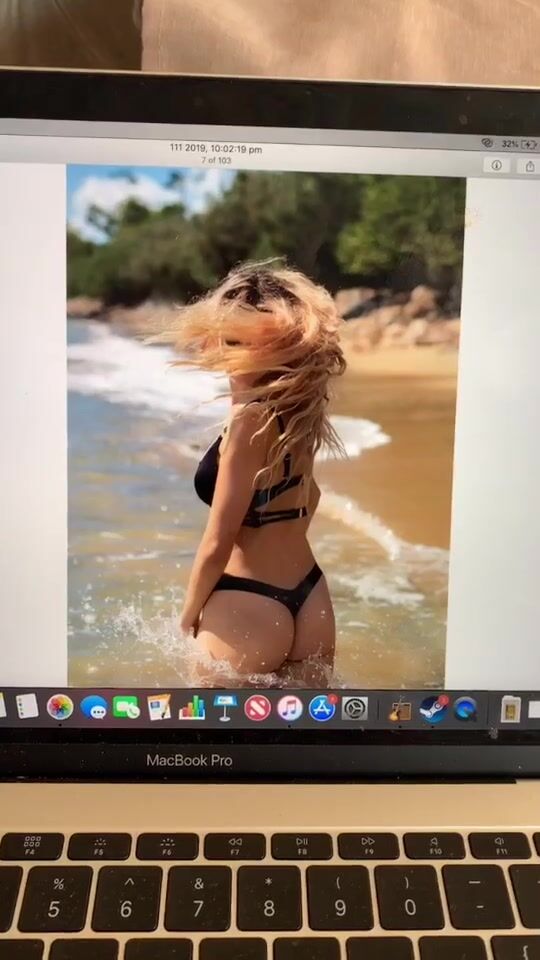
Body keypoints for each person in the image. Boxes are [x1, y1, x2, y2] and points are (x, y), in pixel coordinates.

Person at [156, 260, 346, 683]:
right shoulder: (299, 412)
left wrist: (186, 619)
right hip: (311, 597)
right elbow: (310, 497)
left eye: (233, 339)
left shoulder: (249, 423)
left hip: (248, 603)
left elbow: (217, 540)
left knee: (210, 727)